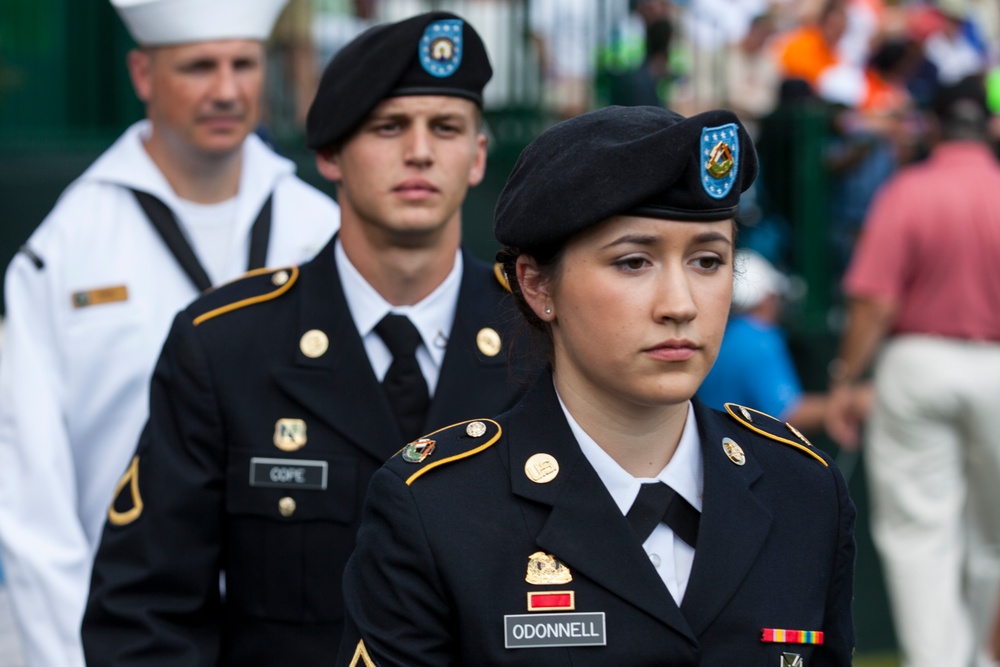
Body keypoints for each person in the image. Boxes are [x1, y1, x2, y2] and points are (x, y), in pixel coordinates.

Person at [82, 11, 533, 666]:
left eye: (446, 127)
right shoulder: (226, 349)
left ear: (478, 158)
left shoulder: (539, 340)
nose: (420, 151)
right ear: (328, 154)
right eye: (388, 127)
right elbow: (145, 610)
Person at [336, 105, 857, 665]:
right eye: (634, 262)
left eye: (708, 261)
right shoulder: (439, 510)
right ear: (537, 285)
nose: (680, 305)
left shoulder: (803, 492)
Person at [0, 0, 340, 665]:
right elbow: (29, 484)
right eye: (197, 66)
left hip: (296, 630)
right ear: (142, 73)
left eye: (243, 64)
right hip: (122, 630)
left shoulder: (320, 231)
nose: (225, 89)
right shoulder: (65, 250)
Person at [826, 78, 1000, 667]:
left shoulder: (909, 189)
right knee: (992, 538)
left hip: (918, 361)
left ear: (933, 126)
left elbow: (874, 302)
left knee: (919, 537)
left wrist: (845, 380)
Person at [698, 249, 829, 432]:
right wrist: (844, 406)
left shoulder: (723, 336)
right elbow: (789, 413)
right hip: (745, 453)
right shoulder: (760, 340)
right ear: (766, 298)